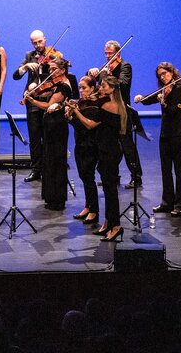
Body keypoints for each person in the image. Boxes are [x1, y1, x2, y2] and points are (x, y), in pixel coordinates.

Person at [66, 75, 127, 242]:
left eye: (104, 86)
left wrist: (75, 109)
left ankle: (116, 226)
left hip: (110, 151)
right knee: (107, 189)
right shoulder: (107, 103)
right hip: (105, 150)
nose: (100, 89)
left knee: (111, 191)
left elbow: (90, 124)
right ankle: (108, 222)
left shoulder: (108, 105)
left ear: (112, 89)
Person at [134, 62, 181, 217]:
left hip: (178, 135)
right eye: (160, 75)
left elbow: (172, 111)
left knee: (179, 170)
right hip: (165, 135)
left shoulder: (179, 89)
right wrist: (141, 98)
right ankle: (167, 203)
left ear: (172, 72)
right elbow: (151, 98)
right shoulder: (164, 89)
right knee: (165, 170)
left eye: (165, 73)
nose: (163, 77)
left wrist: (163, 102)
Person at [88, 40, 142, 189]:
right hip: (108, 111)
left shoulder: (125, 66)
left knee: (127, 146)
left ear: (117, 52)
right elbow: (97, 86)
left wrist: (106, 74)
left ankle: (136, 177)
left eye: (110, 53)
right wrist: (92, 73)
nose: (107, 56)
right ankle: (113, 176)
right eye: (106, 53)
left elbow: (122, 84)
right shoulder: (105, 68)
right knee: (111, 145)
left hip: (122, 110)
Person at [23, 58, 72, 211]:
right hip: (50, 125)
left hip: (57, 126)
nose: (50, 72)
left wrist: (32, 100)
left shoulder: (64, 86)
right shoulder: (56, 84)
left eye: (53, 69)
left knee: (56, 162)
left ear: (62, 70)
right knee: (49, 161)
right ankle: (51, 197)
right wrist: (33, 91)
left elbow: (48, 105)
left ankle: (58, 199)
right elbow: (45, 95)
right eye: (50, 69)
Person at [12, 29, 52, 181]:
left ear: (45, 39)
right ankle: (36, 169)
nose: (38, 45)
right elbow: (16, 76)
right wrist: (25, 67)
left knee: (47, 137)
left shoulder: (54, 54)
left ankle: (48, 169)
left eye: (40, 42)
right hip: (32, 100)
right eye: (34, 43)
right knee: (34, 137)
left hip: (48, 100)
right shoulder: (29, 56)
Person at [65, 75, 100, 225]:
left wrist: (75, 113)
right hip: (80, 143)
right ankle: (88, 206)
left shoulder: (95, 105)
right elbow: (78, 125)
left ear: (92, 88)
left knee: (88, 176)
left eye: (84, 88)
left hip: (91, 145)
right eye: (80, 87)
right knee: (83, 175)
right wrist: (69, 117)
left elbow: (88, 125)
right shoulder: (82, 103)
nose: (81, 90)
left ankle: (94, 211)